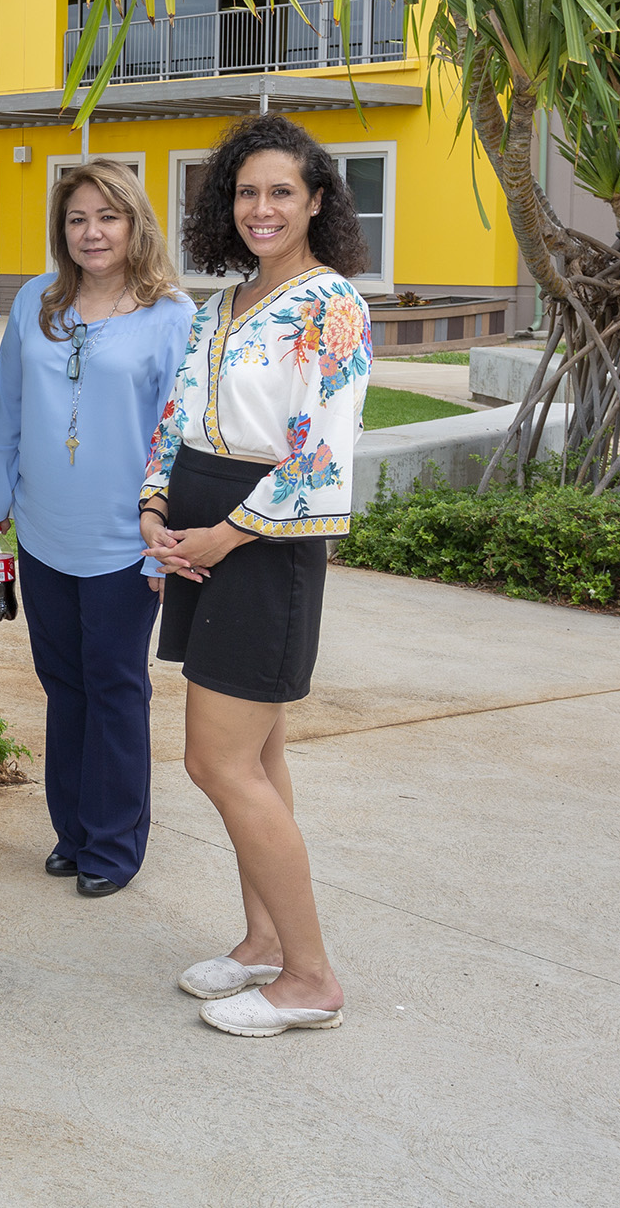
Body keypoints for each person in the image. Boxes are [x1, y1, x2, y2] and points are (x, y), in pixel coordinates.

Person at [141, 113, 371, 1038]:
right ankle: (265, 941)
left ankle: (310, 977)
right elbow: (177, 419)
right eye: (246, 191)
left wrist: (221, 537)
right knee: (261, 755)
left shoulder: (331, 304)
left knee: (217, 758)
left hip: (261, 545)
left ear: (317, 200)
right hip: (201, 530)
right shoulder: (222, 302)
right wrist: (158, 511)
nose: (261, 208)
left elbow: (322, 458)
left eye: (282, 191)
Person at [0, 160, 192, 900]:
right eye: (77, 219)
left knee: (117, 688)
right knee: (63, 686)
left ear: (135, 223)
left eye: (107, 216)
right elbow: (6, 408)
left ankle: (114, 842)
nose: (91, 231)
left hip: (125, 543)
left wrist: (167, 538)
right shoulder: (38, 299)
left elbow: (177, 436)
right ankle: (72, 831)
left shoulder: (171, 315)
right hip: (42, 532)